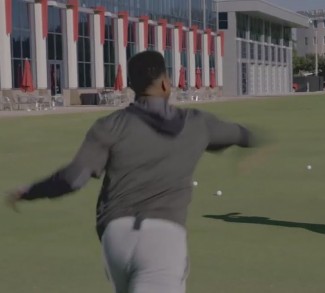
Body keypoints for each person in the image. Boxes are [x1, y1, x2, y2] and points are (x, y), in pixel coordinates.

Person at [5, 50, 261, 292]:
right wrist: (250, 147)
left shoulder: (110, 125)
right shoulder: (197, 123)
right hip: (163, 241)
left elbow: (73, 179)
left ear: (130, 86)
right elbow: (242, 135)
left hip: (115, 238)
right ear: (165, 84)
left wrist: (30, 191)